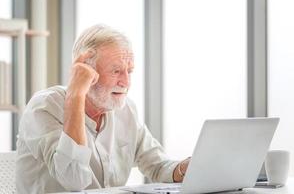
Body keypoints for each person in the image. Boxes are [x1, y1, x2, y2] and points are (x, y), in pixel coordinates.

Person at [16, 24, 190, 194]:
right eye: (116, 71)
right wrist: (76, 95)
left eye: (129, 71)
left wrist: (186, 168)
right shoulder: (43, 107)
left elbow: (158, 166)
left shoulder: (126, 109)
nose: (126, 83)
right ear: (86, 70)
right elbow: (73, 180)